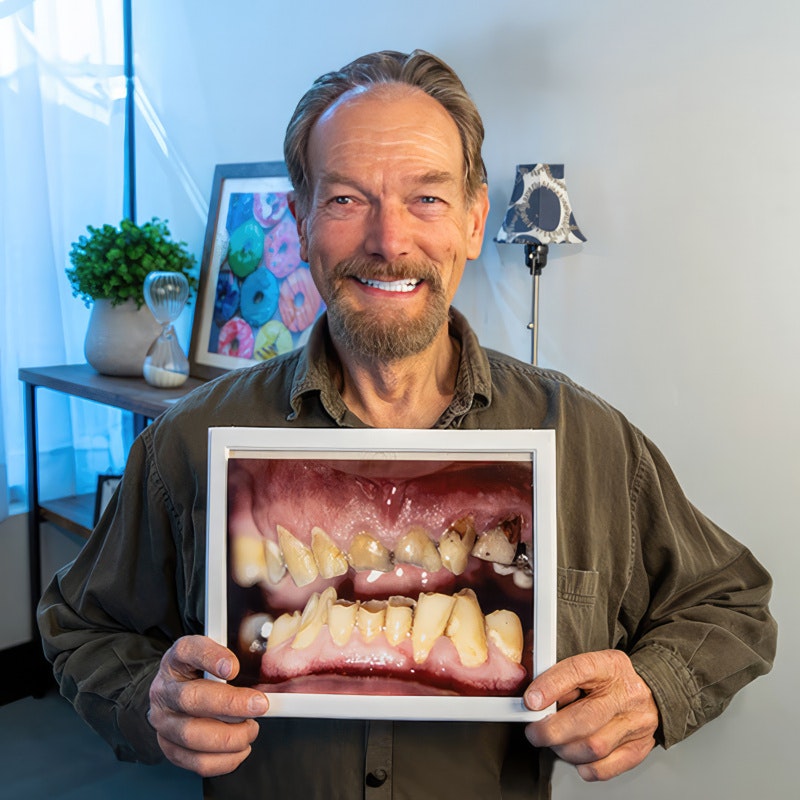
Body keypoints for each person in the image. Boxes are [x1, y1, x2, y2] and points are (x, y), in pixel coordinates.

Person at [37, 50, 776, 800]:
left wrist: (652, 689)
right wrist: (149, 701)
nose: (389, 243)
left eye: (426, 198)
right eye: (346, 199)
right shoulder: (189, 442)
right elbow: (82, 626)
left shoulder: (588, 440)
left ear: (474, 221)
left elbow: (731, 603)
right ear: (300, 222)